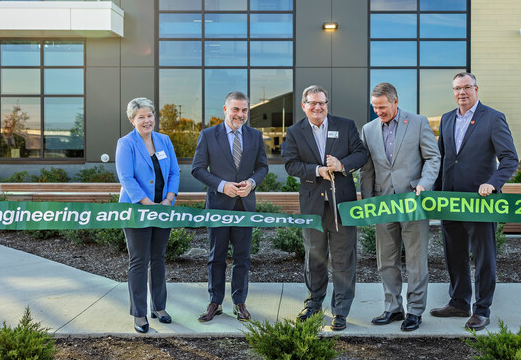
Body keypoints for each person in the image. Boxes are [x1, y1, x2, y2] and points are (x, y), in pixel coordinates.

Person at [431, 72, 518, 330]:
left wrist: (494, 182)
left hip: (481, 201)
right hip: (451, 200)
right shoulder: (447, 119)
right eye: (457, 88)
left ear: (476, 89)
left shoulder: (492, 118)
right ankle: (459, 302)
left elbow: (510, 158)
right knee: (454, 254)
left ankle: (481, 309)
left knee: (484, 257)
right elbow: (443, 159)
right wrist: (436, 193)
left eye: (467, 87)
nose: (462, 93)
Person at [283, 85, 368, 331]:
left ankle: (340, 310)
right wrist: (316, 170)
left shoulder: (346, 126)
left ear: (326, 104)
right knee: (314, 258)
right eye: (312, 103)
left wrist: (342, 165)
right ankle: (313, 304)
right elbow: (290, 164)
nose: (318, 107)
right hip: (313, 206)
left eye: (322, 103)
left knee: (343, 259)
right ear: (304, 106)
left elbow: (361, 154)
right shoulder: (295, 132)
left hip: (342, 205)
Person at [359, 82, 440, 332]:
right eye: (375, 107)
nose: (379, 112)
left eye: (382, 107)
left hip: (412, 202)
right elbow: (368, 167)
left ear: (395, 102)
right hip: (383, 202)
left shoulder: (417, 123)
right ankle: (393, 308)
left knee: (416, 260)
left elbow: (432, 157)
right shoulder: (368, 129)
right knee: (386, 260)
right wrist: (368, 200)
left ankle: (415, 310)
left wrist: (425, 184)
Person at [191, 91, 269, 323]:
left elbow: (262, 167)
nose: (240, 114)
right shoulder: (208, 135)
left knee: (242, 257)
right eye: (235, 109)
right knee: (216, 256)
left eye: (244, 110)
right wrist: (221, 185)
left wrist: (252, 183)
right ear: (225, 110)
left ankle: (239, 303)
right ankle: (215, 302)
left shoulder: (255, 135)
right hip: (218, 205)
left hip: (244, 206)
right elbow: (197, 168)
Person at [115, 97, 180, 333]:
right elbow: (126, 178)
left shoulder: (164, 140)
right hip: (136, 210)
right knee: (139, 261)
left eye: (150, 115)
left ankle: (159, 307)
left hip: (163, 209)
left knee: (159, 258)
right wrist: (147, 203)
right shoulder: (126, 143)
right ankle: (139, 313)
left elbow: (174, 171)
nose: (147, 120)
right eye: (141, 117)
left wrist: (168, 200)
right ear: (132, 120)